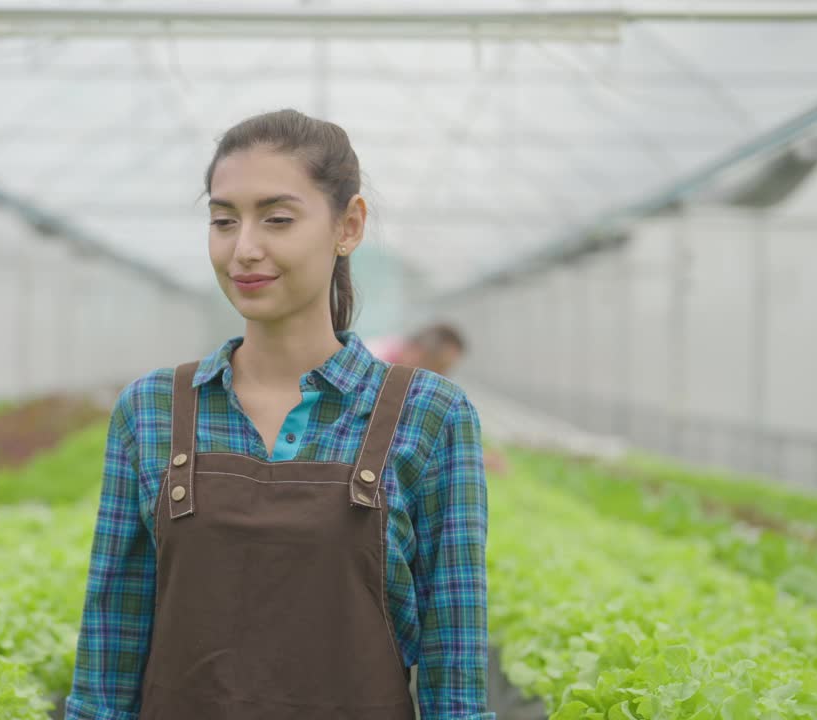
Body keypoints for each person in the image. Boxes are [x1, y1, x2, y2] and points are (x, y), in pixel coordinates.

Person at [65, 109, 493, 720]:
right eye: (222, 220)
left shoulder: (429, 414)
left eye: (278, 219)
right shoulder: (154, 409)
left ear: (348, 226)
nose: (244, 249)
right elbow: (109, 658)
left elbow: (457, 675)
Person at [373, 324, 509, 475]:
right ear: (417, 352)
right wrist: (474, 459)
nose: (442, 377)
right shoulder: (378, 369)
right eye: (439, 367)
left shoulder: (403, 368)